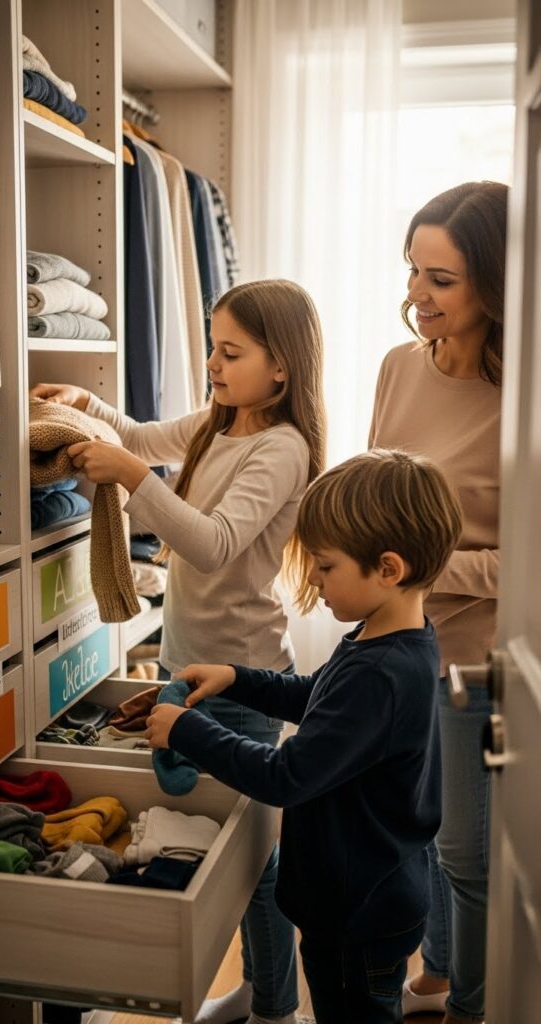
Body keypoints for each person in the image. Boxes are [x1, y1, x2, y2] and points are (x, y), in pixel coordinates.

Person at [29, 278, 327, 1024]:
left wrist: (134, 482)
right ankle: (263, 998)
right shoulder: (221, 421)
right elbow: (146, 435)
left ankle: (275, 1007)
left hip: (247, 678)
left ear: (281, 367)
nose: (213, 364)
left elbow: (214, 544)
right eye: (211, 348)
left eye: (230, 352)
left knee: (253, 861)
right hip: (187, 664)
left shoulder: (282, 447)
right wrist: (93, 412)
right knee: (218, 841)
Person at [145, 448, 463, 1024]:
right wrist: (237, 678)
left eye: (325, 566)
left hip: (356, 911)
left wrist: (186, 730)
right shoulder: (394, 636)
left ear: (388, 568)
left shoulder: (380, 674)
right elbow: (317, 694)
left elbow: (285, 776)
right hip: (372, 891)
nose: (314, 583)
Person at [368, 181, 508, 1024]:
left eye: (442, 279)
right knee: (416, 833)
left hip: (479, 662)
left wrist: (421, 569)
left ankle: (478, 1008)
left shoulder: (518, 397)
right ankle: (438, 970)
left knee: (467, 854)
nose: (417, 294)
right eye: (413, 271)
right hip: (401, 645)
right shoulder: (397, 367)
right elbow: (378, 490)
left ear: (493, 282)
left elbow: (523, 563)